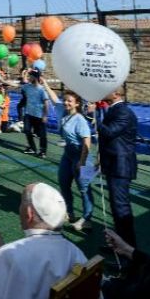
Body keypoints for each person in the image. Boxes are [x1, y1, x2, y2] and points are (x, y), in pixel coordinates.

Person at [97, 88, 138, 249]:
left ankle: (129, 250)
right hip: (114, 165)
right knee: (116, 208)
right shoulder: (115, 109)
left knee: (121, 210)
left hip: (120, 167)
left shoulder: (123, 112)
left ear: (116, 94)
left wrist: (93, 116)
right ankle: (119, 244)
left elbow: (109, 132)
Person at [58, 90, 93, 231]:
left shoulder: (80, 119)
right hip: (68, 154)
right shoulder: (65, 115)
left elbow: (87, 141)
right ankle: (69, 212)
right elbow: (55, 99)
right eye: (65, 100)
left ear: (77, 103)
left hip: (80, 155)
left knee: (84, 189)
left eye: (69, 101)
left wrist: (82, 161)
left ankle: (87, 219)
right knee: (64, 183)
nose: (66, 102)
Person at [18, 70, 50, 157]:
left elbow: (46, 103)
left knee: (42, 135)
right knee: (27, 130)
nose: (29, 77)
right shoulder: (27, 87)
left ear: (35, 77)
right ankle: (32, 148)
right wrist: (3, 81)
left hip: (39, 116)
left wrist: (45, 115)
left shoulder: (42, 90)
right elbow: (19, 85)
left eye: (30, 76)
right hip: (28, 114)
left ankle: (43, 151)